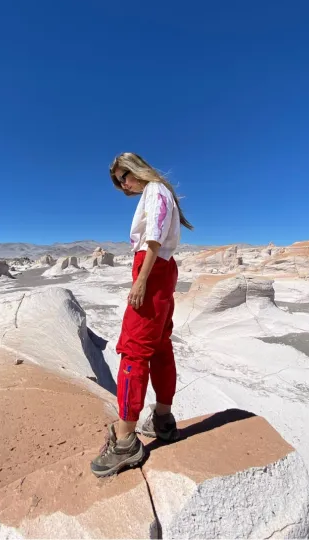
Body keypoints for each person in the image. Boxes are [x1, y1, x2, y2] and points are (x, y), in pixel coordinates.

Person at [91, 152, 195, 478]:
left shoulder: (156, 191)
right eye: (120, 182)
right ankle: (163, 420)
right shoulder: (158, 192)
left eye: (125, 176)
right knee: (160, 346)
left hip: (152, 272)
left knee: (133, 351)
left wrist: (140, 280)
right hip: (162, 273)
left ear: (137, 169)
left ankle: (125, 441)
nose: (125, 184)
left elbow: (153, 239)